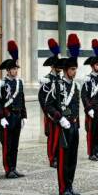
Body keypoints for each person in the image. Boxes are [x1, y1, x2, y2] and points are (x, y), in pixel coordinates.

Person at [45, 35, 82, 195]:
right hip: (63, 126)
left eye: (75, 69)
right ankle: (63, 188)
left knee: (72, 159)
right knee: (63, 160)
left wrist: (76, 124)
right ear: (66, 70)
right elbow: (48, 105)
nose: (74, 72)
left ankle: (70, 185)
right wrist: (59, 118)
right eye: (72, 69)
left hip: (73, 126)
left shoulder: (76, 86)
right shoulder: (57, 85)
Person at [0, 40, 26, 178]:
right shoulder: (2, 84)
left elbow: (22, 99)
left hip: (17, 117)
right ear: (8, 70)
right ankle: (8, 169)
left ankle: (14, 167)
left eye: (16, 69)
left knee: (15, 145)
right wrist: (1, 118)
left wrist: (24, 116)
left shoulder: (19, 83)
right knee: (7, 145)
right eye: (13, 69)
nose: (15, 71)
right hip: (7, 118)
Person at [40, 38, 62, 167]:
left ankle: (58, 156)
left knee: (59, 136)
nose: (60, 68)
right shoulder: (47, 80)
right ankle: (52, 158)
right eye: (58, 66)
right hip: (50, 113)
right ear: (53, 66)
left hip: (60, 113)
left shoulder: (61, 79)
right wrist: (48, 113)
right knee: (52, 137)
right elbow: (42, 98)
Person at [82, 39, 98, 161]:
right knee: (91, 132)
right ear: (92, 66)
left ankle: (97, 151)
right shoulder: (87, 79)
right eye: (96, 65)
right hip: (91, 109)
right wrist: (88, 108)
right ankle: (91, 153)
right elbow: (84, 95)